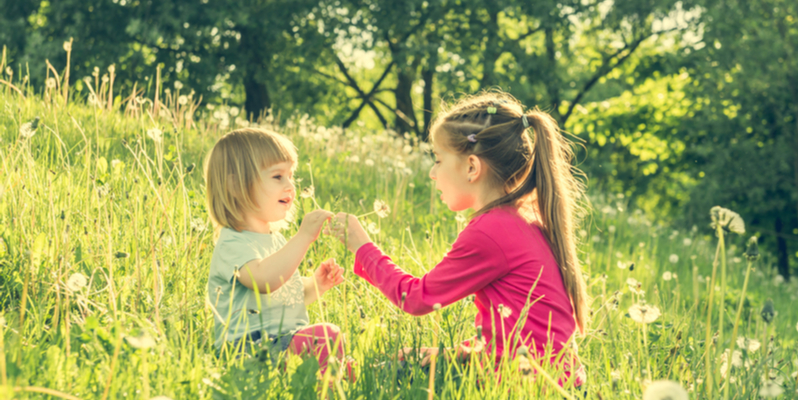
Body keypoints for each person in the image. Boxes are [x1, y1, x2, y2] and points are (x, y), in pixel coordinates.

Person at [330, 92, 587, 386]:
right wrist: (456, 352)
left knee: (382, 375)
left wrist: (362, 246)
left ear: (471, 167)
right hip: (560, 381)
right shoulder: (525, 220)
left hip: (524, 384)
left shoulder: (491, 231)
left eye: (438, 160)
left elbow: (415, 299)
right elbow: (520, 331)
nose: (432, 172)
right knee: (411, 358)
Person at [204, 127, 349, 378]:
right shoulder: (232, 243)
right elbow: (264, 281)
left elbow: (286, 298)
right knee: (327, 337)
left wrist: (316, 285)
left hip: (282, 341)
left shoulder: (276, 240)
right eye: (277, 176)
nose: (290, 186)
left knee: (341, 359)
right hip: (247, 350)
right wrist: (303, 237)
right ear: (236, 185)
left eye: (290, 175)